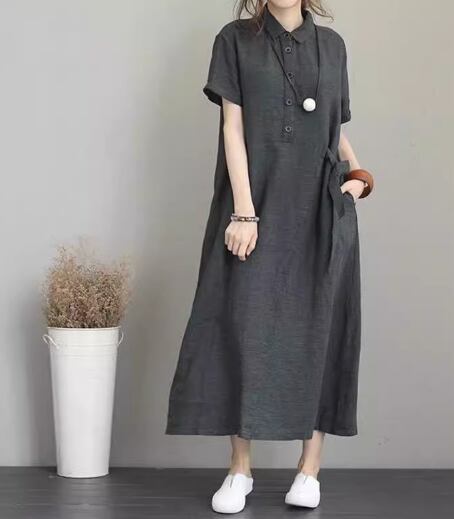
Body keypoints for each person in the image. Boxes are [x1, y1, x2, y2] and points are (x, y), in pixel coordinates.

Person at [165, 0, 374, 513]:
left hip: (321, 209)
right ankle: (240, 469)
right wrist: (244, 211)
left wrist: (359, 177)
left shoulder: (333, 47)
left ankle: (310, 469)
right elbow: (232, 128)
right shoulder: (235, 40)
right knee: (243, 328)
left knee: (321, 330)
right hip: (254, 208)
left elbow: (331, 125)